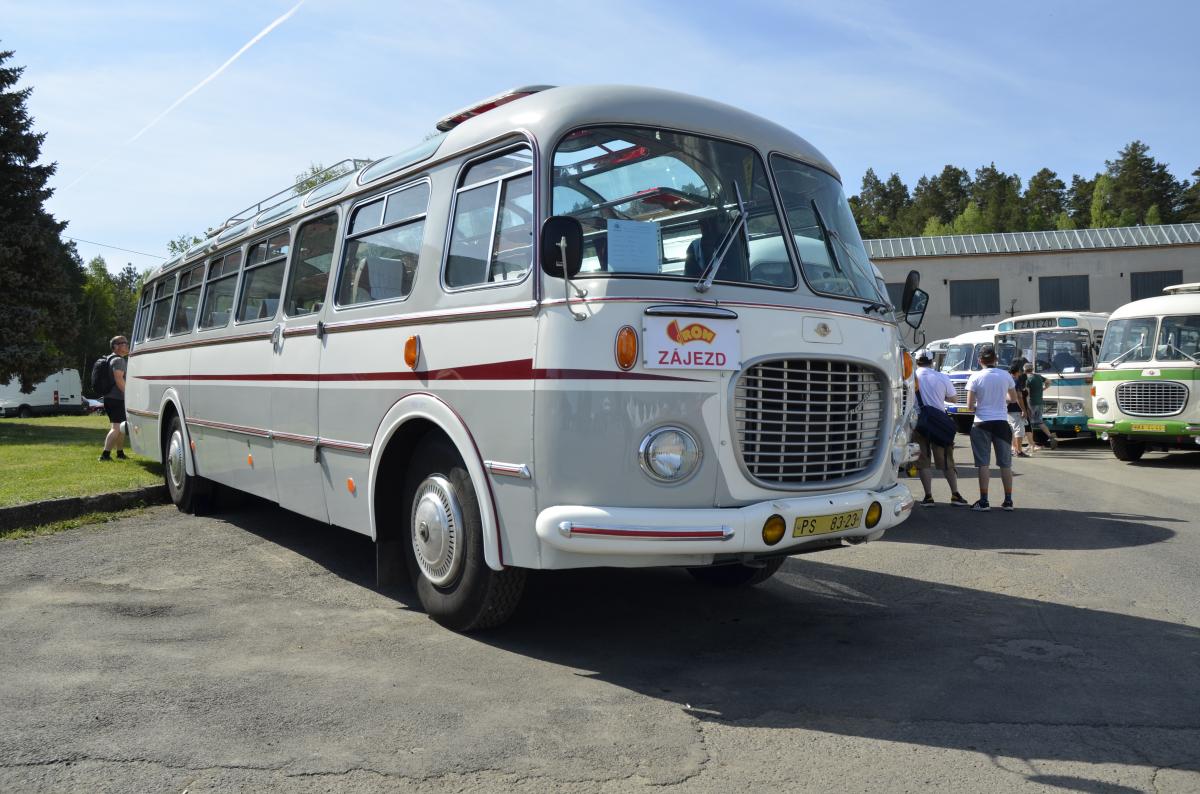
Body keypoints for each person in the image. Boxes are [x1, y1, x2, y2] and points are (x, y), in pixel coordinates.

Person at [966, 346, 1020, 512]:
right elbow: (1013, 399)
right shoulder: (1006, 375)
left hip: (981, 422)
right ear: (996, 359)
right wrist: (1000, 399)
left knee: (983, 463)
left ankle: (984, 501)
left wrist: (980, 407)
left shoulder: (975, 377)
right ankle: (1008, 500)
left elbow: (969, 406)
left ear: (979, 360)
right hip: (1001, 423)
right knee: (1005, 464)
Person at [912, 352, 968, 507]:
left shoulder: (911, 378)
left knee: (923, 461)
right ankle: (955, 495)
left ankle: (928, 497)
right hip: (938, 423)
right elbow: (953, 399)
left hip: (918, 423)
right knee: (946, 461)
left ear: (916, 361)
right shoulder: (942, 377)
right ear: (931, 361)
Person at [98, 336, 129, 462]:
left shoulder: (110, 359)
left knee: (121, 427)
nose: (127, 345)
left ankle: (120, 452)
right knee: (116, 428)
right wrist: (128, 394)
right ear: (116, 346)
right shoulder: (118, 360)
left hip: (111, 398)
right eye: (124, 343)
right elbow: (119, 379)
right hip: (117, 399)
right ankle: (105, 455)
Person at [1024, 362, 1057, 450]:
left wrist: (1026, 406)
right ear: (1032, 369)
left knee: (1028, 424)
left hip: (1031, 403)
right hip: (1039, 402)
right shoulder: (1038, 376)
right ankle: (1050, 436)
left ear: (1024, 370)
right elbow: (1049, 381)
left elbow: (1027, 393)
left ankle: (1030, 443)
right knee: (1039, 421)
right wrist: (1044, 388)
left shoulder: (1027, 379)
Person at [1007, 362, 1030, 458]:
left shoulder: (1007, 380)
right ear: (1018, 372)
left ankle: (1014, 449)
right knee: (1019, 430)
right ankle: (1019, 451)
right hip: (1016, 409)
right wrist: (1024, 410)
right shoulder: (1016, 381)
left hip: (1007, 409)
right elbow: (1019, 397)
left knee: (1012, 430)